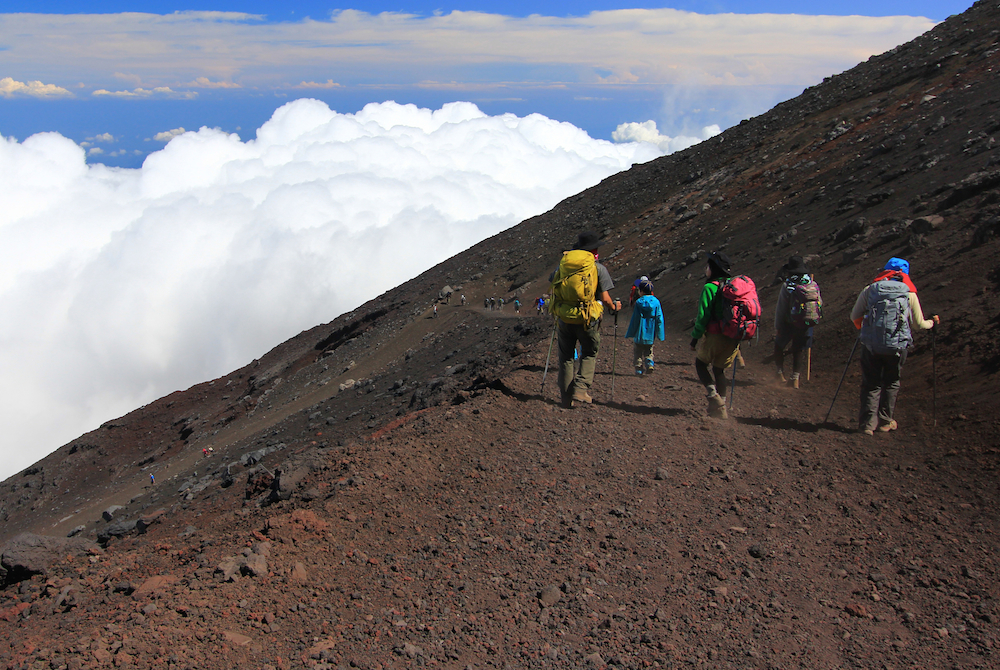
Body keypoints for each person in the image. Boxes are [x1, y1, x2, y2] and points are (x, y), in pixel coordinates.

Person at [850, 257, 939, 435]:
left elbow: (855, 316)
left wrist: (866, 329)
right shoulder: (909, 294)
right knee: (891, 382)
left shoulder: (870, 290)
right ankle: (885, 421)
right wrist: (932, 323)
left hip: (871, 346)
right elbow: (918, 324)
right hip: (897, 346)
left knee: (871, 384)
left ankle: (867, 425)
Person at [550, 231, 621, 408]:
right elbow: (605, 298)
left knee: (565, 357)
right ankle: (580, 388)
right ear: (594, 250)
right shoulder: (598, 268)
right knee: (589, 353)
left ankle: (566, 397)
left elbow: (552, 282)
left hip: (565, 317)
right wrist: (614, 307)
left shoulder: (564, 265)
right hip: (587, 319)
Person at [690, 251, 740, 419]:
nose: (706, 269)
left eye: (708, 266)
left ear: (713, 269)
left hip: (715, 335)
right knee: (719, 370)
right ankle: (722, 408)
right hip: (734, 337)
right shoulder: (734, 288)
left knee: (701, 364)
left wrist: (695, 338)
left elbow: (702, 316)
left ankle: (714, 397)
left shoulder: (710, 288)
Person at [774, 256, 822, 388]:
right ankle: (795, 378)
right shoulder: (812, 284)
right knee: (798, 349)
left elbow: (781, 308)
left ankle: (779, 374)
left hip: (789, 322)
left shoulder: (788, 286)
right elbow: (820, 303)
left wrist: (778, 326)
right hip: (806, 323)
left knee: (778, 345)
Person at [625, 280, 664, 375]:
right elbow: (659, 318)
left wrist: (631, 332)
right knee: (649, 349)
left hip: (639, 332)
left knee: (637, 351)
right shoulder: (656, 302)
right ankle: (649, 362)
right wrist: (660, 333)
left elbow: (635, 319)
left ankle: (638, 367)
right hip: (651, 332)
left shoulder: (639, 302)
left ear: (641, 291)